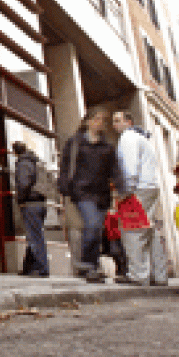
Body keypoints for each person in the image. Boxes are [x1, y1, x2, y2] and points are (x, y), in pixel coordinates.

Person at [57, 107, 124, 283]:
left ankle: (91, 267)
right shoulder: (75, 142)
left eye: (102, 120)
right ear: (87, 121)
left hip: (102, 195)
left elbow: (114, 170)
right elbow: (65, 166)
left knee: (96, 230)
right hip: (82, 192)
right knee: (92, 224)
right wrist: (64, 185)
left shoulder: (107, 147)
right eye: (96, 118)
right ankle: (88, 265)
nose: (99, 122)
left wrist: (122, 188)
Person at [112, 111, 168, 286]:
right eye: (114, 121)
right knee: (150, 232)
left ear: (129, 122)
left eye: (118, 120)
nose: (115, 125)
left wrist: (124, 193)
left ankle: (138, 275)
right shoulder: (143, 139)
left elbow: (130, 166)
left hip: (137, 189)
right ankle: (159, 275)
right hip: (150, 187)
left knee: (133, 232)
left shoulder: (128, 138)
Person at [12, 141, 49, 278]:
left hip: (30, 203)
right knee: (34, 235)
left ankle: (42, 268)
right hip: (41, 203)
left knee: (34, 237)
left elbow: (23, 183)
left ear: (15, 152)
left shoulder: (23, 163)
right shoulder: (36, 161)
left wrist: (20, 200)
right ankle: (28, 267)